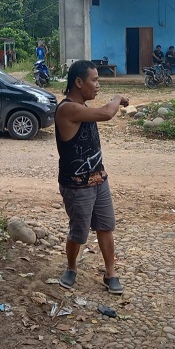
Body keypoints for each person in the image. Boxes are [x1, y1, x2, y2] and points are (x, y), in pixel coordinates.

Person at [55, 60, 129, 295]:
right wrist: (117, 97)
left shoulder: (83, 107)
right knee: (79, 232)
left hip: (99, 178)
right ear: (78, 82)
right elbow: (107, 113)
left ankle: (110, 273)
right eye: (94, 80)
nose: (98, 85)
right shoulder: (68, 108)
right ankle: (71, 268)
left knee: (105, 227)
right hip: (77, 185)